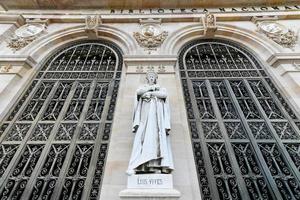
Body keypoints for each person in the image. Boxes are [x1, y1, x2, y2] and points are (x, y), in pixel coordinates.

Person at [127, 71, 174, 175]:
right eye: (150, 77)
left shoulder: (160, 88)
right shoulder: (143, 87)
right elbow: (138, 92)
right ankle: (140, 166)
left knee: (156, 140)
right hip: (145, 117)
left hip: (157, 119)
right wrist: (148, 91)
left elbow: (164, 94)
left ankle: (156, 166)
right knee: (143, 138)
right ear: (147, 78)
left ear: (156, 78)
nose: (151, 78)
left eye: (153, 76)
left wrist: (151, 93)